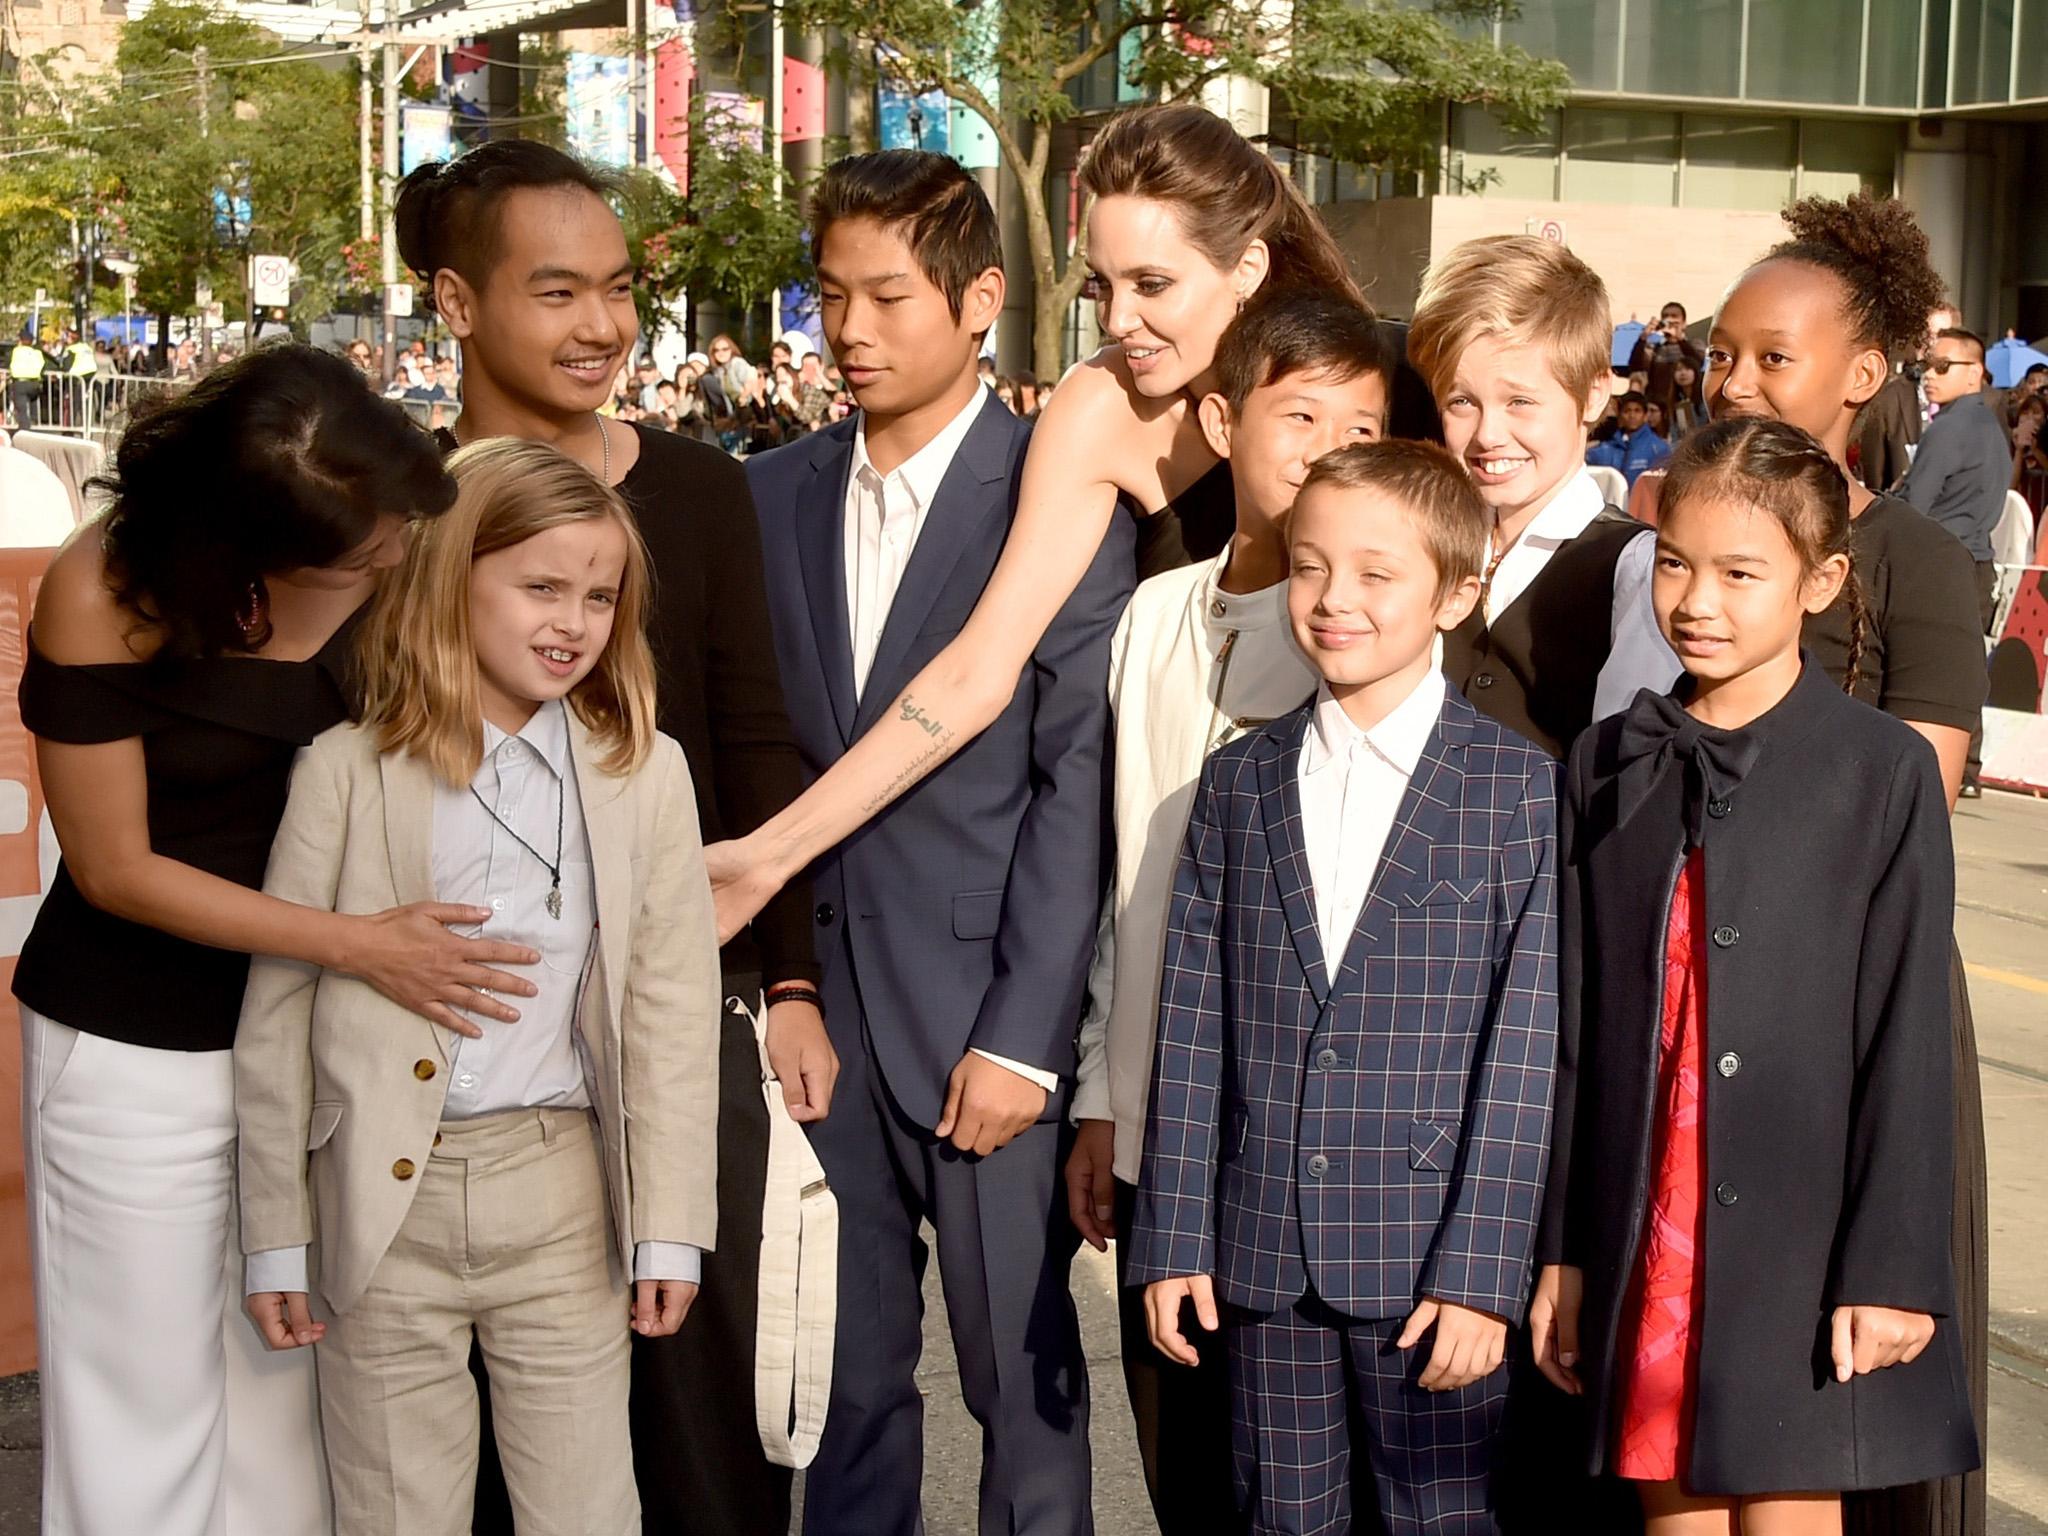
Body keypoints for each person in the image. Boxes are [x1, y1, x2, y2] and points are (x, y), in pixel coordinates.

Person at [15, 344, 542, 1536]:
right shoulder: (103, 589)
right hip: (135, 1045)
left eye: (402, 521)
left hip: (316, 1048)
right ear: (251, 544)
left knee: (291, 1408)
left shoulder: (400, 532)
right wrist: (357, 943)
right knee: (136, 1407)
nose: (400, 554)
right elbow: (112, 870)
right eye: (359, 555)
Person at [392, 135, 830, 1536]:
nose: (602, 325)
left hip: (677, 1018)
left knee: (702, 1412)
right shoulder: (386, 508)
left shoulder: (700, 490)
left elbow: (752, 740)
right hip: (454, 1033)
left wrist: (792, 978)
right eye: (558, 290)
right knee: (465, 1446)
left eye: (620, 289)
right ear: (456, 303)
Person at [704, 100, 1367, 931]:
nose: (1119, 320)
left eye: (1153, 284)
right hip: (1177, 840)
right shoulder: (1102, 406)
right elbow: (976, 671)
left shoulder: (1372, 386)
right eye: (1105, 284)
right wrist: (771, 855)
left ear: (1247, 267)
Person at [748, 148, 1132, 1536]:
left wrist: (1027, 1037)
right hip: (816, 1038)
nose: (850, 332)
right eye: (830, 297)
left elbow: (1073, 779)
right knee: (841, 1405)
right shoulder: (770, 493)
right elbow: (760, 762)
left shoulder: (1061, 492)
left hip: (987, 1031)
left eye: (888, 299)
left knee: (1025, 1410)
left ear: (980, 300)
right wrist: (786, 985)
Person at [235, 438, 721, 1534]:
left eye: (599, 596)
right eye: (541, 586)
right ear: (455, 578)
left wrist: (670, 1227)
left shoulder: (645, 774)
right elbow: (279, 1014)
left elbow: (670, 1015)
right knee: (395, 1512)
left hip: (561, 1198)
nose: (573, 620)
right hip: (378, 1211)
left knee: (584, 1513)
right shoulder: (345, 772)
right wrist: (275, 1230)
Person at [1530, 416, 1981, 1534]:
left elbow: (1906, 1029)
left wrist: (1889, 1264)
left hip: (1803, 1223)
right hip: (1649, 1210)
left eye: (1740, 574)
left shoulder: (1878, 772)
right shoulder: (1607, 760)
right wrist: (1567, 1252)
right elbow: (1573, 1030)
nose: (1697, 602)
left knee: (1786, 1505)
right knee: (1671, 1507)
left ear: (1818, 581)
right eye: (1675, 564)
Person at [1132, 438, 1558, 1536]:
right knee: (1278, 1517)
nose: (1333, 600)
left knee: (1441, 1520)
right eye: (1310, 568)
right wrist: (1175, 1230)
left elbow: (1525, 1048)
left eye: (1376, 574)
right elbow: (1193, 1018)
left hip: (1428, 1263)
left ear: (1456, 593)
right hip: (1259, 1250)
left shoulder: (1517, 789)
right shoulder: (1236, 780)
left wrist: (1480, 1273)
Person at [1690, 190, 1992, 1536]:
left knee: (1832, 1403)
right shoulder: (1673, 536)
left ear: (1864, 378)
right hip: (1687, 996)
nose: (1735, 379)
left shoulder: (1915, 555)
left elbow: (1912, 791)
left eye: (1774, 357)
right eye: (1722, 353)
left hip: (1852, 1009)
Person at [1069, 290, 1391, 1535]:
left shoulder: (1350, 644)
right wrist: (1103, 1092)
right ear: (1218, 418)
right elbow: (1118, 885)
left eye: (1357, 425)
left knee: (1298, 1489)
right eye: (1296, 415)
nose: (1324, 448)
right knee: (1178, 1470)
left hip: (1289, 1163)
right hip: (1158, 1132)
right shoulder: (1152, 616)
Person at [1404, 235, 1680, 762]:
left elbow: (1630, 778)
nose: (1489, 434)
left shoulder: (1635, 569)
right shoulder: (1420, 538)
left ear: (1595, 393)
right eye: (1462, 401)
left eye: (1520, 401)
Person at [1898, 327, 2010, 797]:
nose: (1929, 376)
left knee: (1920, 677)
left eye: (1942, 367)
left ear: (1975, 373)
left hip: (1940, 562)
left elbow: (1913, 506)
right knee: (1960, 672)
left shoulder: (1950, 428)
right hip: (1975, 562)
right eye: (1926, 366)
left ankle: (1941, 774)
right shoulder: (1989, 429)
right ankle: (1966, 769)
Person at [1589, 389, 1675, 488]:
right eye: (1627, 411)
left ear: (1645, 415)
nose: (1632, 415)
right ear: (1620, 415)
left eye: (1637, 411)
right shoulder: (1606, 448)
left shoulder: (1658, 448)